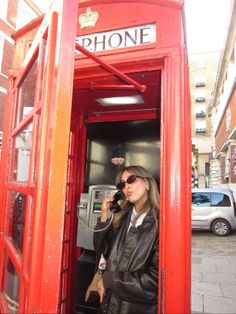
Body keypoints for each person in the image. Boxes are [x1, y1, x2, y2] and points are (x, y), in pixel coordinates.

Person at [93, 165, 159, 314]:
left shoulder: (159, 223)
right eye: (122, 184)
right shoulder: (122, 217)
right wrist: (104, 218)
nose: (127, 186)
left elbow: (154, 282)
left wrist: (111, 279)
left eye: (132, 179)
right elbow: (101, 249)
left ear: (147, 183)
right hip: (110, 303)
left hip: (135, 308)